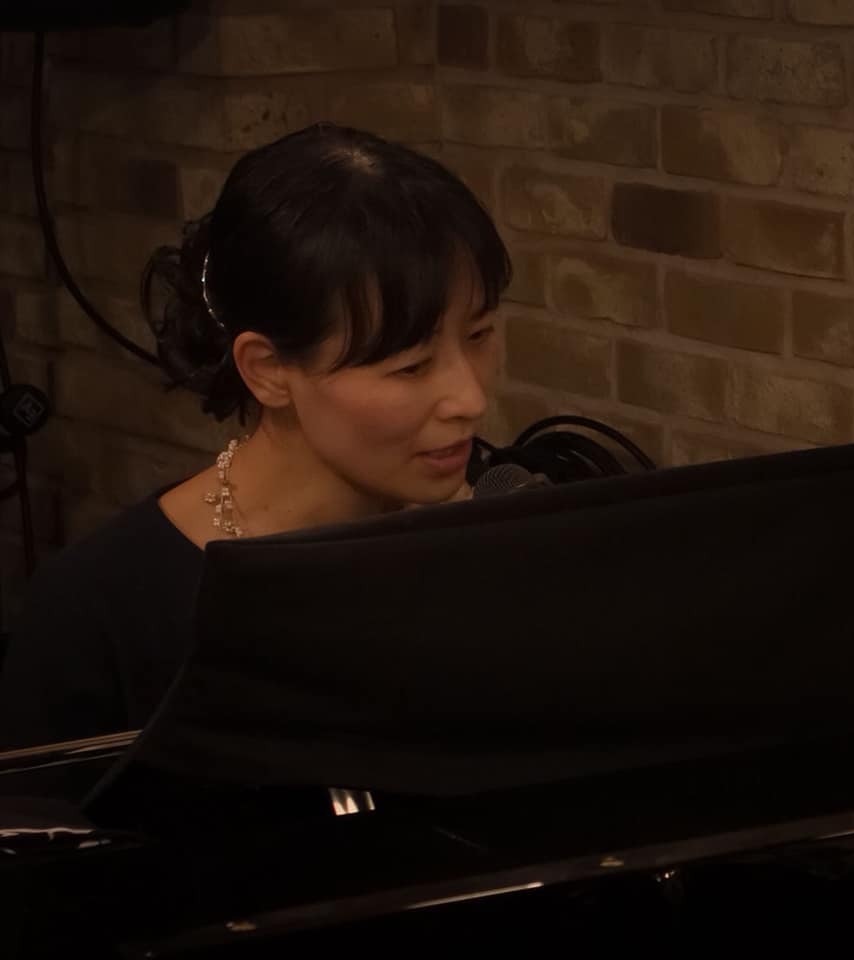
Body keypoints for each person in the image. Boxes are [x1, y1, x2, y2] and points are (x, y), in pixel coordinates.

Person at [0, 121, 512, 750]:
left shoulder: (502, 543)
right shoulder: (100, 611)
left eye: (480, 335)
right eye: (410, 367)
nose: (471, 400)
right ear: (268, 371)